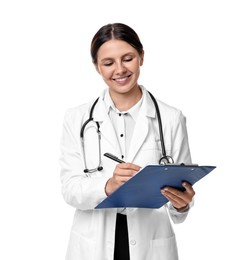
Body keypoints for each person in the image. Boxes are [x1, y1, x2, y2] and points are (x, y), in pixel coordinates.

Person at [59, 22, 195, 260]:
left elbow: (179, 199)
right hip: (93, 246)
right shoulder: (77, 118)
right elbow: (70, 189)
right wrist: (108, 186)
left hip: (151, 246)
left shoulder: (171, 118)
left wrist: (181, 204)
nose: (119, 69)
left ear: (141, 57)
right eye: (108, 63)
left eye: (128, 58)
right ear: (96, 67)